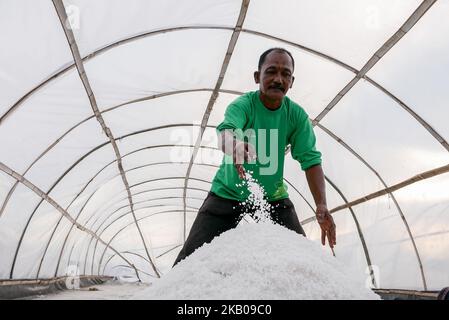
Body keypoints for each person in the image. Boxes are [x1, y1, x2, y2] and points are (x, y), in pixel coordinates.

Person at [173, 47, 336, 266]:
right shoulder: (243, 106)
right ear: (257, 77)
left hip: (273, 198)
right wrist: (236, 145)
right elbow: (226, 131)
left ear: (292, 81)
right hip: (227, 192)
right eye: (271, 72)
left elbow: (311, 160)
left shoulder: (296, 116)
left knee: (302, 260)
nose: (278, 79)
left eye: (285, 74)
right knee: (189, 261)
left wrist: (321, 204)